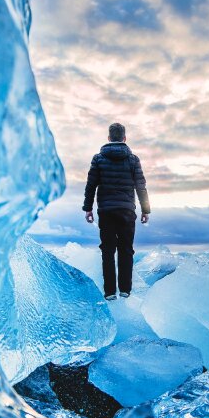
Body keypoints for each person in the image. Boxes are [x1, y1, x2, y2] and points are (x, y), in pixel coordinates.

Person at [82, 122, 151, 300]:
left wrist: (88, 208)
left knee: (107, 251)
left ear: (109, 138)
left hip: (106, 211)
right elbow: (141, 187)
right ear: (124, 138)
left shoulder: (98, 159)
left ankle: (110, 292)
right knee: (126, 250)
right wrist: (146, 210)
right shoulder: (133, 159)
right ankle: (125, 290)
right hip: (127, 211)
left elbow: (91, 186)